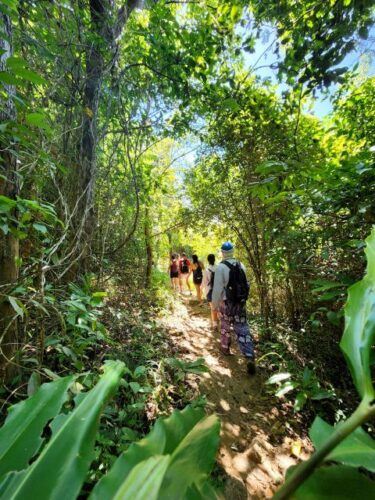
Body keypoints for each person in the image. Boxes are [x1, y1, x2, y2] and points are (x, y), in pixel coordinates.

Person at [212, 241, 256, 375]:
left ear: (222, 252)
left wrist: (215, 304)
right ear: (233, 251)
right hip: (240, 303)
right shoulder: (241, 265)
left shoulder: (221, 267)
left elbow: (218, 288)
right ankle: (249, 356)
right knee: (242, 327)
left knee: (225, 326)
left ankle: (225, 348)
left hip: (227, 304)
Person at [203, 253, 218, 329]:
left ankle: (215, 324)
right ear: (214, 259)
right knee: (219, 308)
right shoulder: (219, 268)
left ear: (208, 260)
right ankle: (223, 325)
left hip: (210, 291)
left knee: (213, 308)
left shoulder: (206, 270)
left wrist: (205, 292)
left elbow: (204, 283)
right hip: (219, 291)